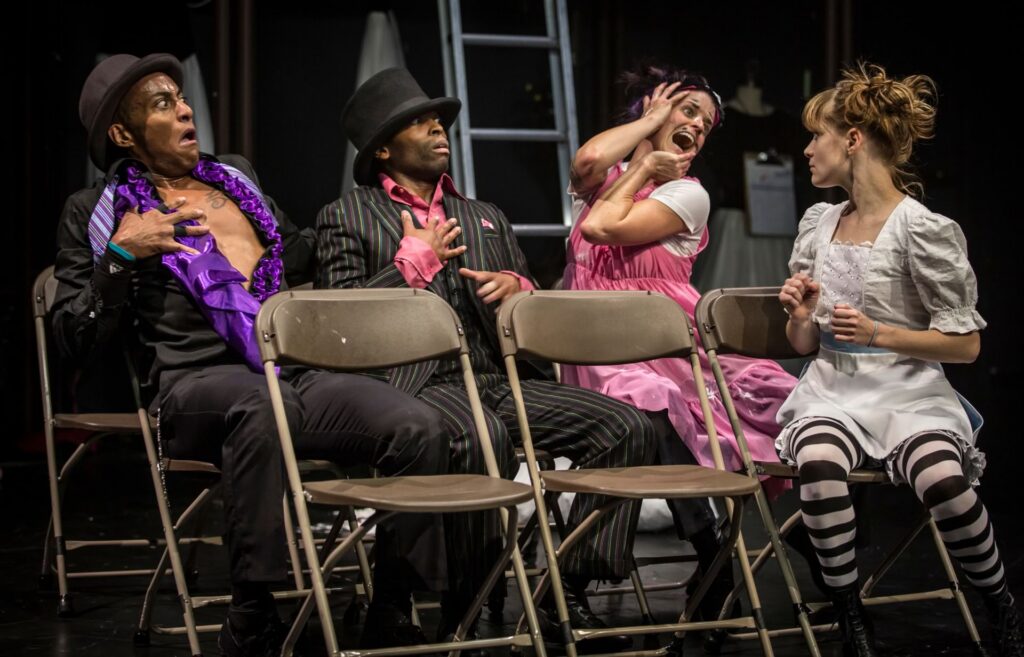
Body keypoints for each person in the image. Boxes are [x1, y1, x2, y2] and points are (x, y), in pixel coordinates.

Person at [53, 54, 449, 657]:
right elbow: (74, 339)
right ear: (123, 134)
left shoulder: (235, 178)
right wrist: (120, 257)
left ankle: (391, 604)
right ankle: (251, 614)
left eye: (181, 98)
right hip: (193, 387)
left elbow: (301, 256)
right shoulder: (101, 211)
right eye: (162, 103)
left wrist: (390, 239)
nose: (185, 110)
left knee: (417, 424)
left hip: (288, 371)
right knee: (265, 405)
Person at [316, 66, 655, 653]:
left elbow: (528, 300)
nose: (438, 129)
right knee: (483, 434)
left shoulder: (484, 214)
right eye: (419, 123)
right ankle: (465, 607)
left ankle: (565, 587)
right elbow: (337, 325)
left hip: (495, 375)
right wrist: (410, 264)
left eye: (438, 120)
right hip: (415, 385)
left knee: (625, 426)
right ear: (383, 149)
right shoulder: (347, 215)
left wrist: (519, 290)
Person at [777, 62, 1023, 657]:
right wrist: (801, 315)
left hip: (908, 391)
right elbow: (803, 346)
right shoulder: (819, 224)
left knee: (945, 482)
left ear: (852, 140)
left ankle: (998, 601)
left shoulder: (923, 228)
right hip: (832, 389)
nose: (808, 150)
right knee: (818, 464)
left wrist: (879, 333)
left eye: (817, 136)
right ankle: (849, 612)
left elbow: (965, 345)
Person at [562, 64, 799, 642]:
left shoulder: (687, 193)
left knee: (659, 406)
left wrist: (648, 165)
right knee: (643, 412)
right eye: (687, 110)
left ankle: (714, 554)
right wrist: (647, 135)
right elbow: (587, 161)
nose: (696, 124)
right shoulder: (612, 175)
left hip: (659, 342)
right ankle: (711, 561)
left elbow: (603, 229)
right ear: (653, 108)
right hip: (594, 341)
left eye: (706, 123)